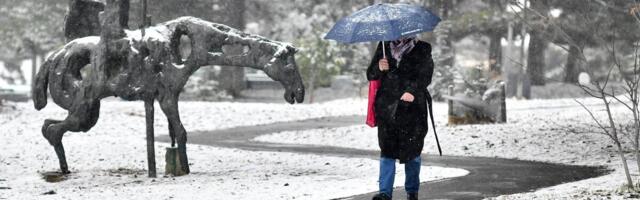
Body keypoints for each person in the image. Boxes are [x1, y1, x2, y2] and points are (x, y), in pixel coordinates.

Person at [367, 36, 434, 200]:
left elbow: (425, 75)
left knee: (412, 152)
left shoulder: (422, 48)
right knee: (387, 151)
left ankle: (412, 192)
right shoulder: (383, 46)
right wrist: (378, 66)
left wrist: (412, 91)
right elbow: (370, 74)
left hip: (413, 110)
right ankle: (384, 193)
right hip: (388, 108)